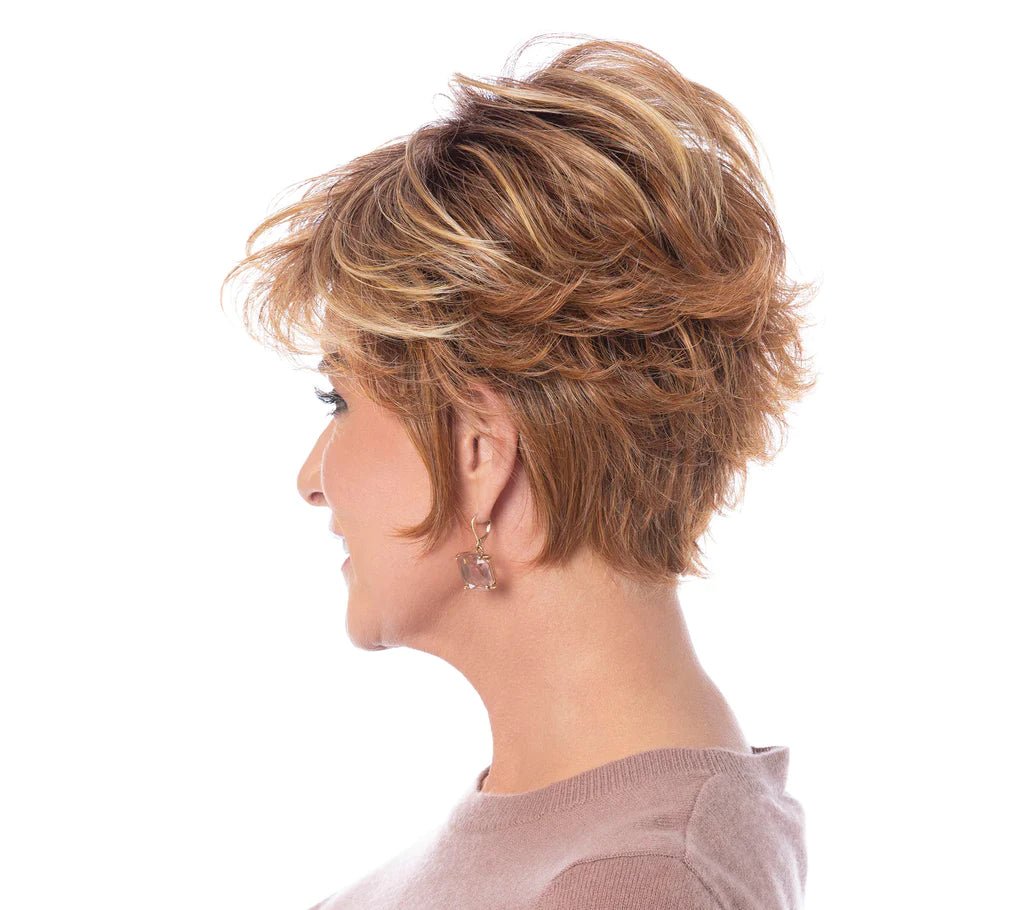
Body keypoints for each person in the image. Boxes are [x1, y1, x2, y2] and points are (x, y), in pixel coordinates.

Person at [222, 32, 816, 910]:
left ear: (479, 451)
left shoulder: (630, 885)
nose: (312, 478)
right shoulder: (586, 847)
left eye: (337, 401)